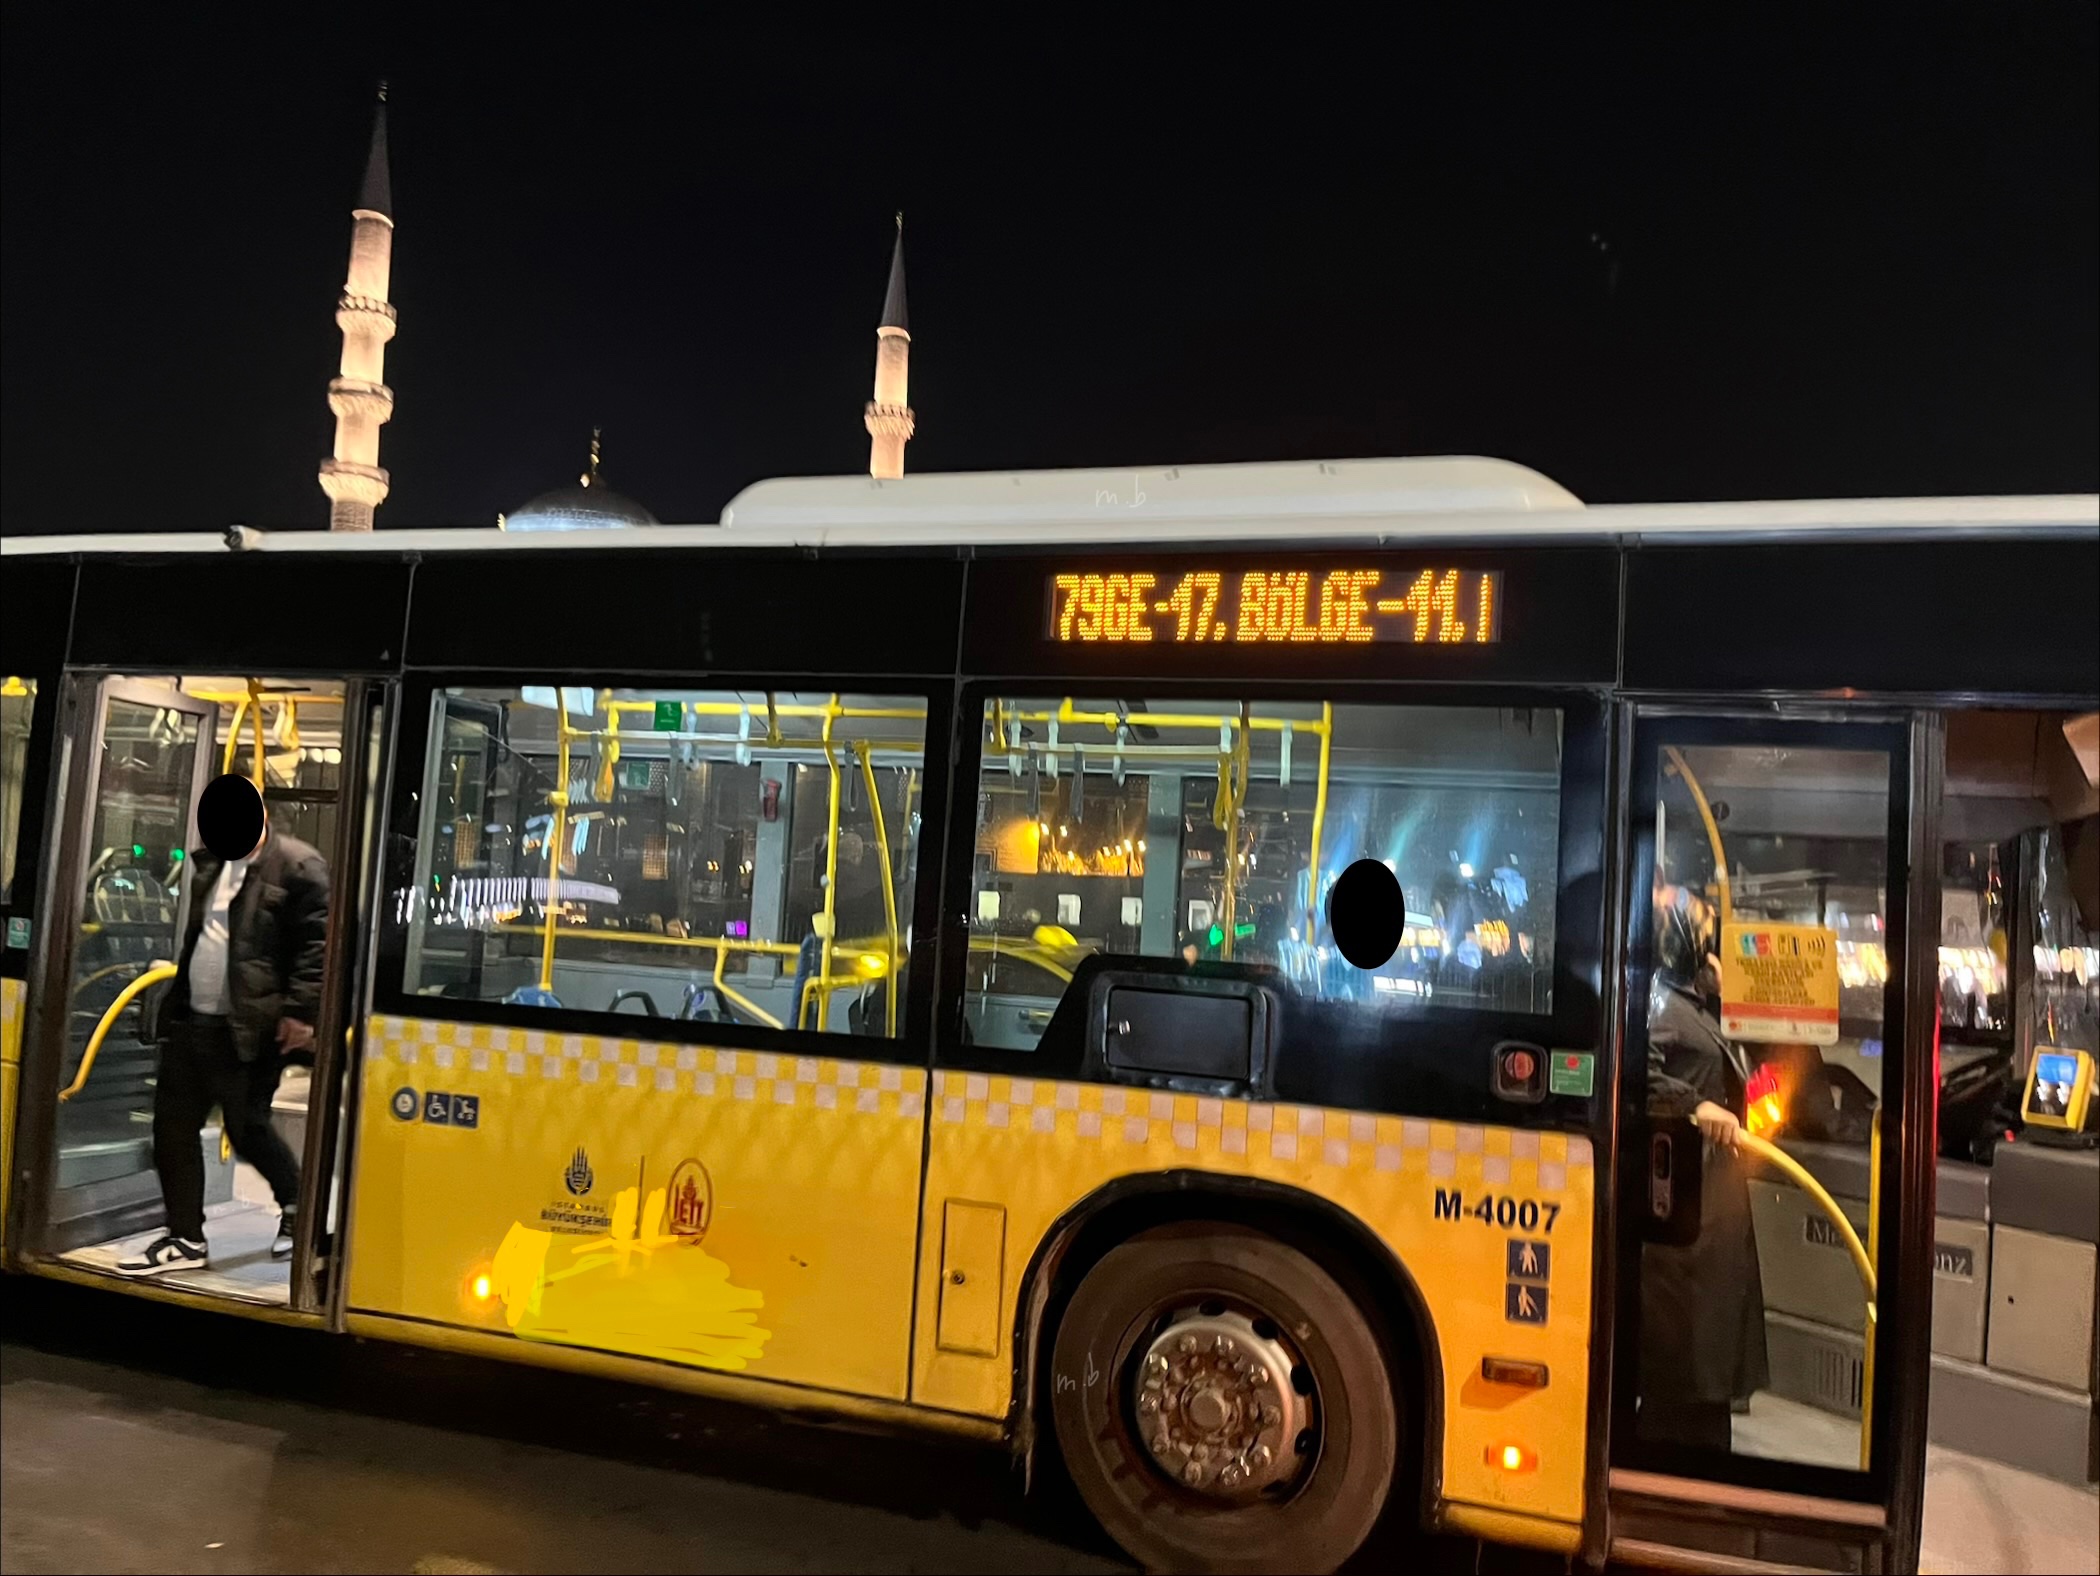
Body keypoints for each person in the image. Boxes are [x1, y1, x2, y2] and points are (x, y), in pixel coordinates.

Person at [118, 794, 330, 1276]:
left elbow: (316, 947)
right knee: (172, 1127)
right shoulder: (212, 865)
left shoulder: (299, 866)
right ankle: (185, 1236)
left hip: (250, 1026)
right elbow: (201, 938)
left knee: (246, 1126)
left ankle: (297, 1204)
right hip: (194, 1018)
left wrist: (300, 1013)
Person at [1637, 884, 1770, 1451]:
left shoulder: (1691, 1008)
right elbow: (1634, 1073)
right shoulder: (1662, 1009)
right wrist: (1696, 1106)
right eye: (1709, 942)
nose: (1718, 955)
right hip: (1688, 1209)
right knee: (1690, 1350)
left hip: (1712, 1200)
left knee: (1711, 1342)